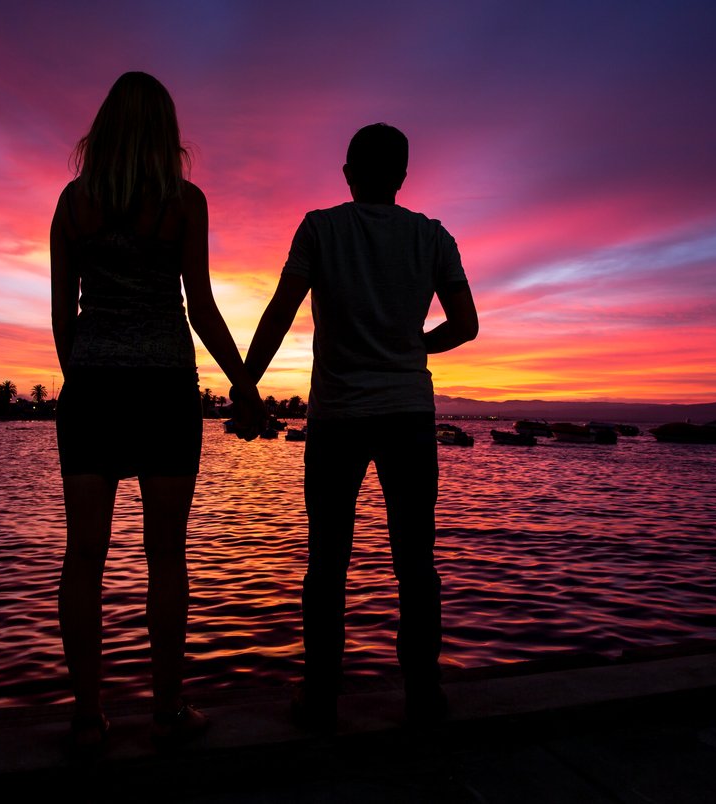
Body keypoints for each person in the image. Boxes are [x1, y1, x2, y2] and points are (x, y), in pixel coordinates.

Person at [50, 71, 264, 748]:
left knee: (84, 555)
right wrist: (245, 383)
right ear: (165, 132)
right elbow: (198, 306)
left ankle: (88, 714)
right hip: (166, 388)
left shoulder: (74, 203)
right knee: (166, 555)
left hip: (92, 389)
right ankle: (168, 709)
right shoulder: (183, 203)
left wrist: (83, 373)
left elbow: (63, 314)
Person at [241, 123, 478, 728]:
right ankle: (423, 693)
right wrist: (411, 346)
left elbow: (280, 309)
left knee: (327, 561)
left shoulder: (321, 228)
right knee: (414, 560)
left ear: (349, 173)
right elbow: (466, 324)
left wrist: (245, 385)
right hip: (407, 413)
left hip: (338, 416)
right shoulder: (433, 236)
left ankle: (320, 696)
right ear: (402, 175)